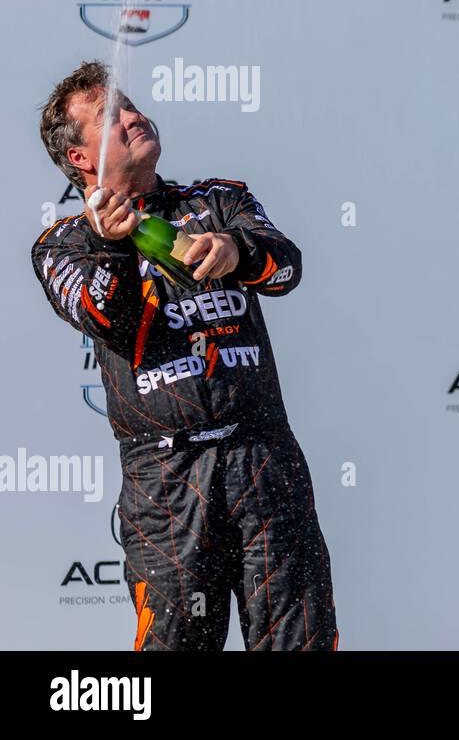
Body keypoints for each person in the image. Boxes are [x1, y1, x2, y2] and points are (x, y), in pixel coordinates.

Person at [32, 60, 338, 651]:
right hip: (165, 483)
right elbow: (107, 318)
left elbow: (288, 267)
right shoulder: (64, 245)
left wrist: (235, 251)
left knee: (299, 641)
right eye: (110, 115)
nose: (132, 116)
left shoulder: (221, 200)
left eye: (131, 104)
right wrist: (112, 243)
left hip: (262, 456)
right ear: (80, 158)